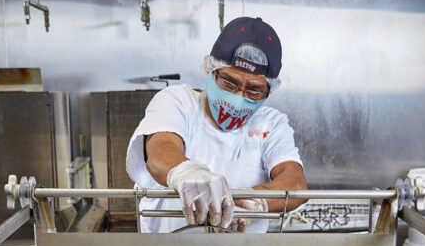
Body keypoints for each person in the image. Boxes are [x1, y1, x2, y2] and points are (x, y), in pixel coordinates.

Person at [126, 16, 306, 233]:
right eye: (229, 83)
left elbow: (295, 182)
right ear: (210, 70)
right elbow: (160, 150)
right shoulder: (179, 102)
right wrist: (186, 172)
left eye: (254, 90)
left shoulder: (272, 124)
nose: (239, 97)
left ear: (270, 90)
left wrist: (256, 200)